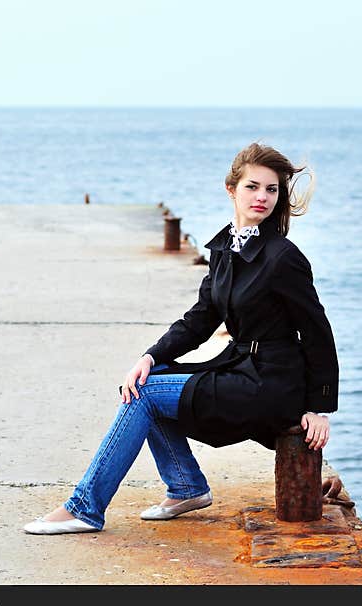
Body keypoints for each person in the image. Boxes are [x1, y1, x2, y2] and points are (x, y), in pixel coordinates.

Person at [23, 142, 339, 535]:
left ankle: (85, 507)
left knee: (146, 395)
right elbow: (201, 318)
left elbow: (316, 331)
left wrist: (317, 407)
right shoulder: (226, 248)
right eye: (252, 187)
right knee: (145, 382)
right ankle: (186, 487)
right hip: (243, 369)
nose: (262, 197)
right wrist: (151, 357)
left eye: (272, 190)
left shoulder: (282, 257)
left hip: (271, 383)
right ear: (231, 189)